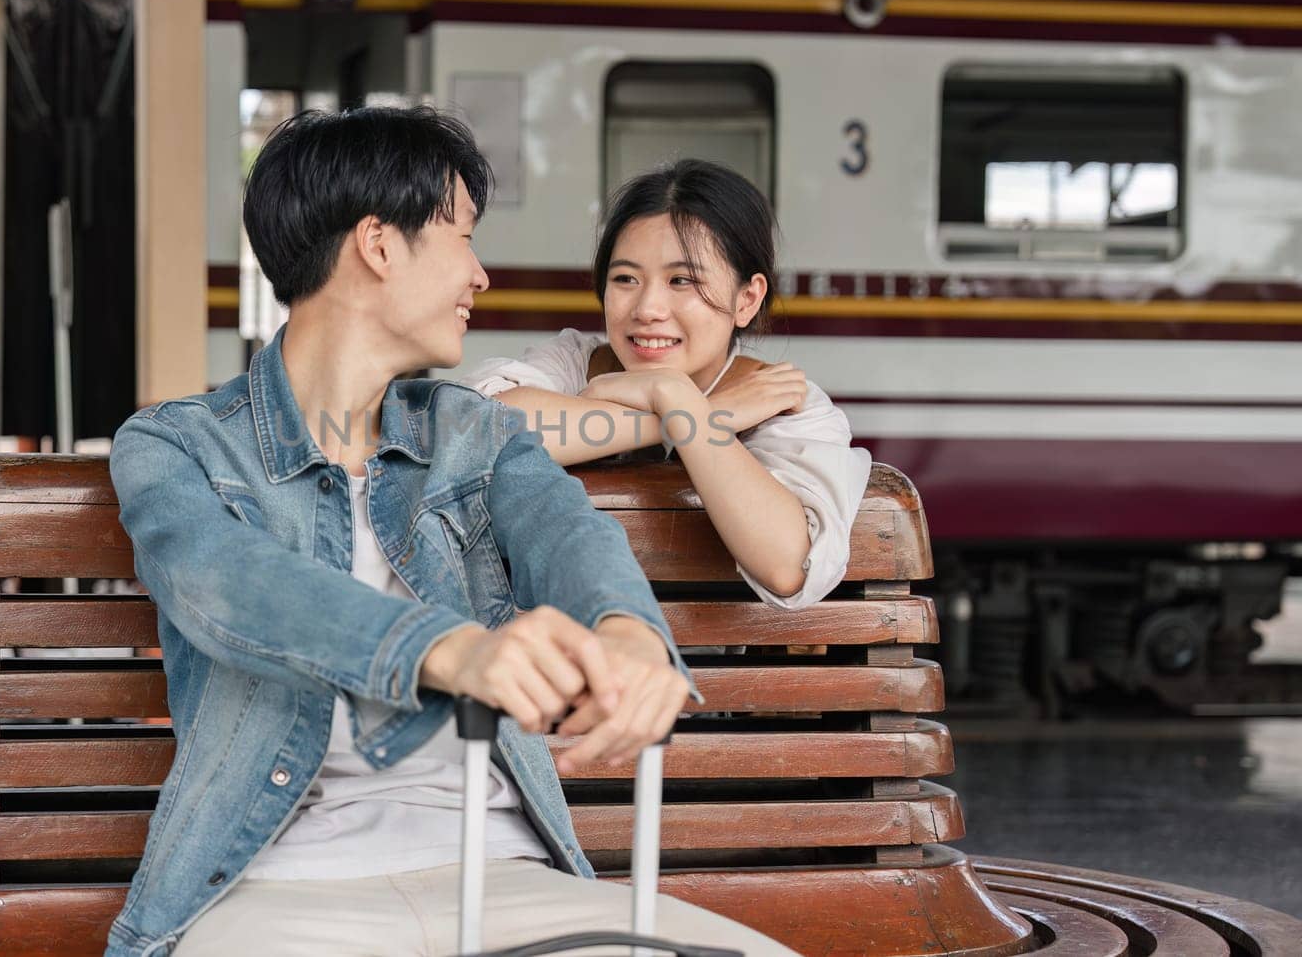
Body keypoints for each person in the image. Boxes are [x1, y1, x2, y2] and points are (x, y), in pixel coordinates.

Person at [105, 109, 798, 957]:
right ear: (379, 245)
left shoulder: (476, 432)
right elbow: (229, 584)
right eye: (462, 235)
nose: (479, 273)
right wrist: (449, 651)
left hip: (502, 870)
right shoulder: (175, 445)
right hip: (277, 886)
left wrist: (629, 632)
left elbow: (567, 534)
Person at [463, 160, 871, 610]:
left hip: (717, 679)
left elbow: (786, 564)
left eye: (682, 280)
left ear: (747, 299)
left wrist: (677, 400)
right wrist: (695, 416)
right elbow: (478, 433)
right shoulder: (571, 364)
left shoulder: (784, 402)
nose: (648, 307)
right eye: (625, 279)